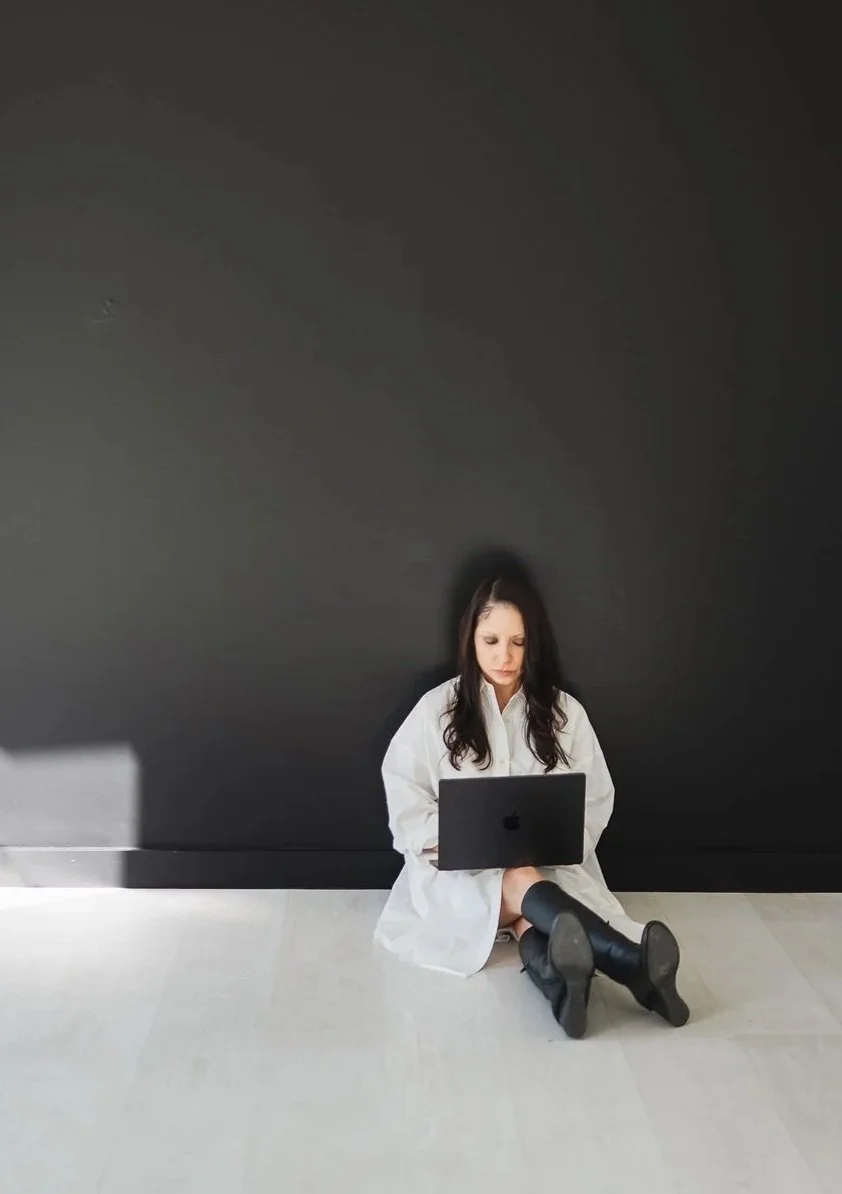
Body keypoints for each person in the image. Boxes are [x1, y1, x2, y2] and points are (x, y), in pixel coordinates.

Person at [374, 573, 689, 1038]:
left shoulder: (563, 713)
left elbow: (597, 795)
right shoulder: (435, 710)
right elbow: (403, 792)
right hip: (457, 875)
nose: (504, 656)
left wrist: (559, 844)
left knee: (529, 906)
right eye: (492, 640)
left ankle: (567, 990)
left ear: (533, 643)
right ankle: (628, 962)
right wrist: (450, 842)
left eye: (518, 642)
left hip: (544, 873)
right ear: (471, 639)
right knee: (523, 884)